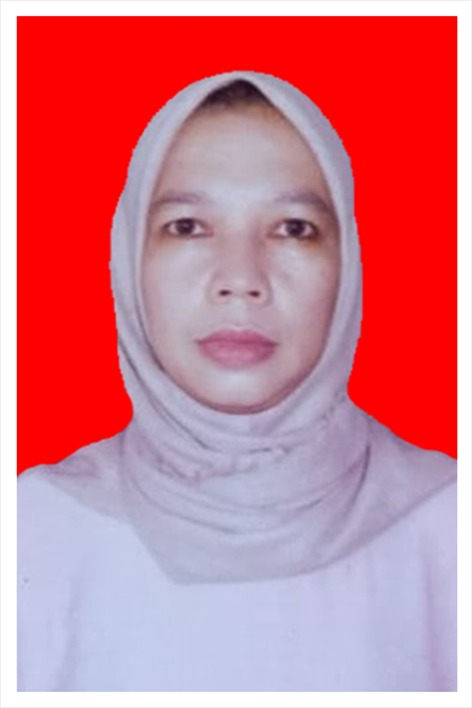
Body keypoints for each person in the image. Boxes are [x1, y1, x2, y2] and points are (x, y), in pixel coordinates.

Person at [17, 71, 456, 692]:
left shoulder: (448, 523)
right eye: (188, 227)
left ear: (348, 266)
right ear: (129, 260)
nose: (241, 278)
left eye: (293, 228)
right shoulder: (33, 529)